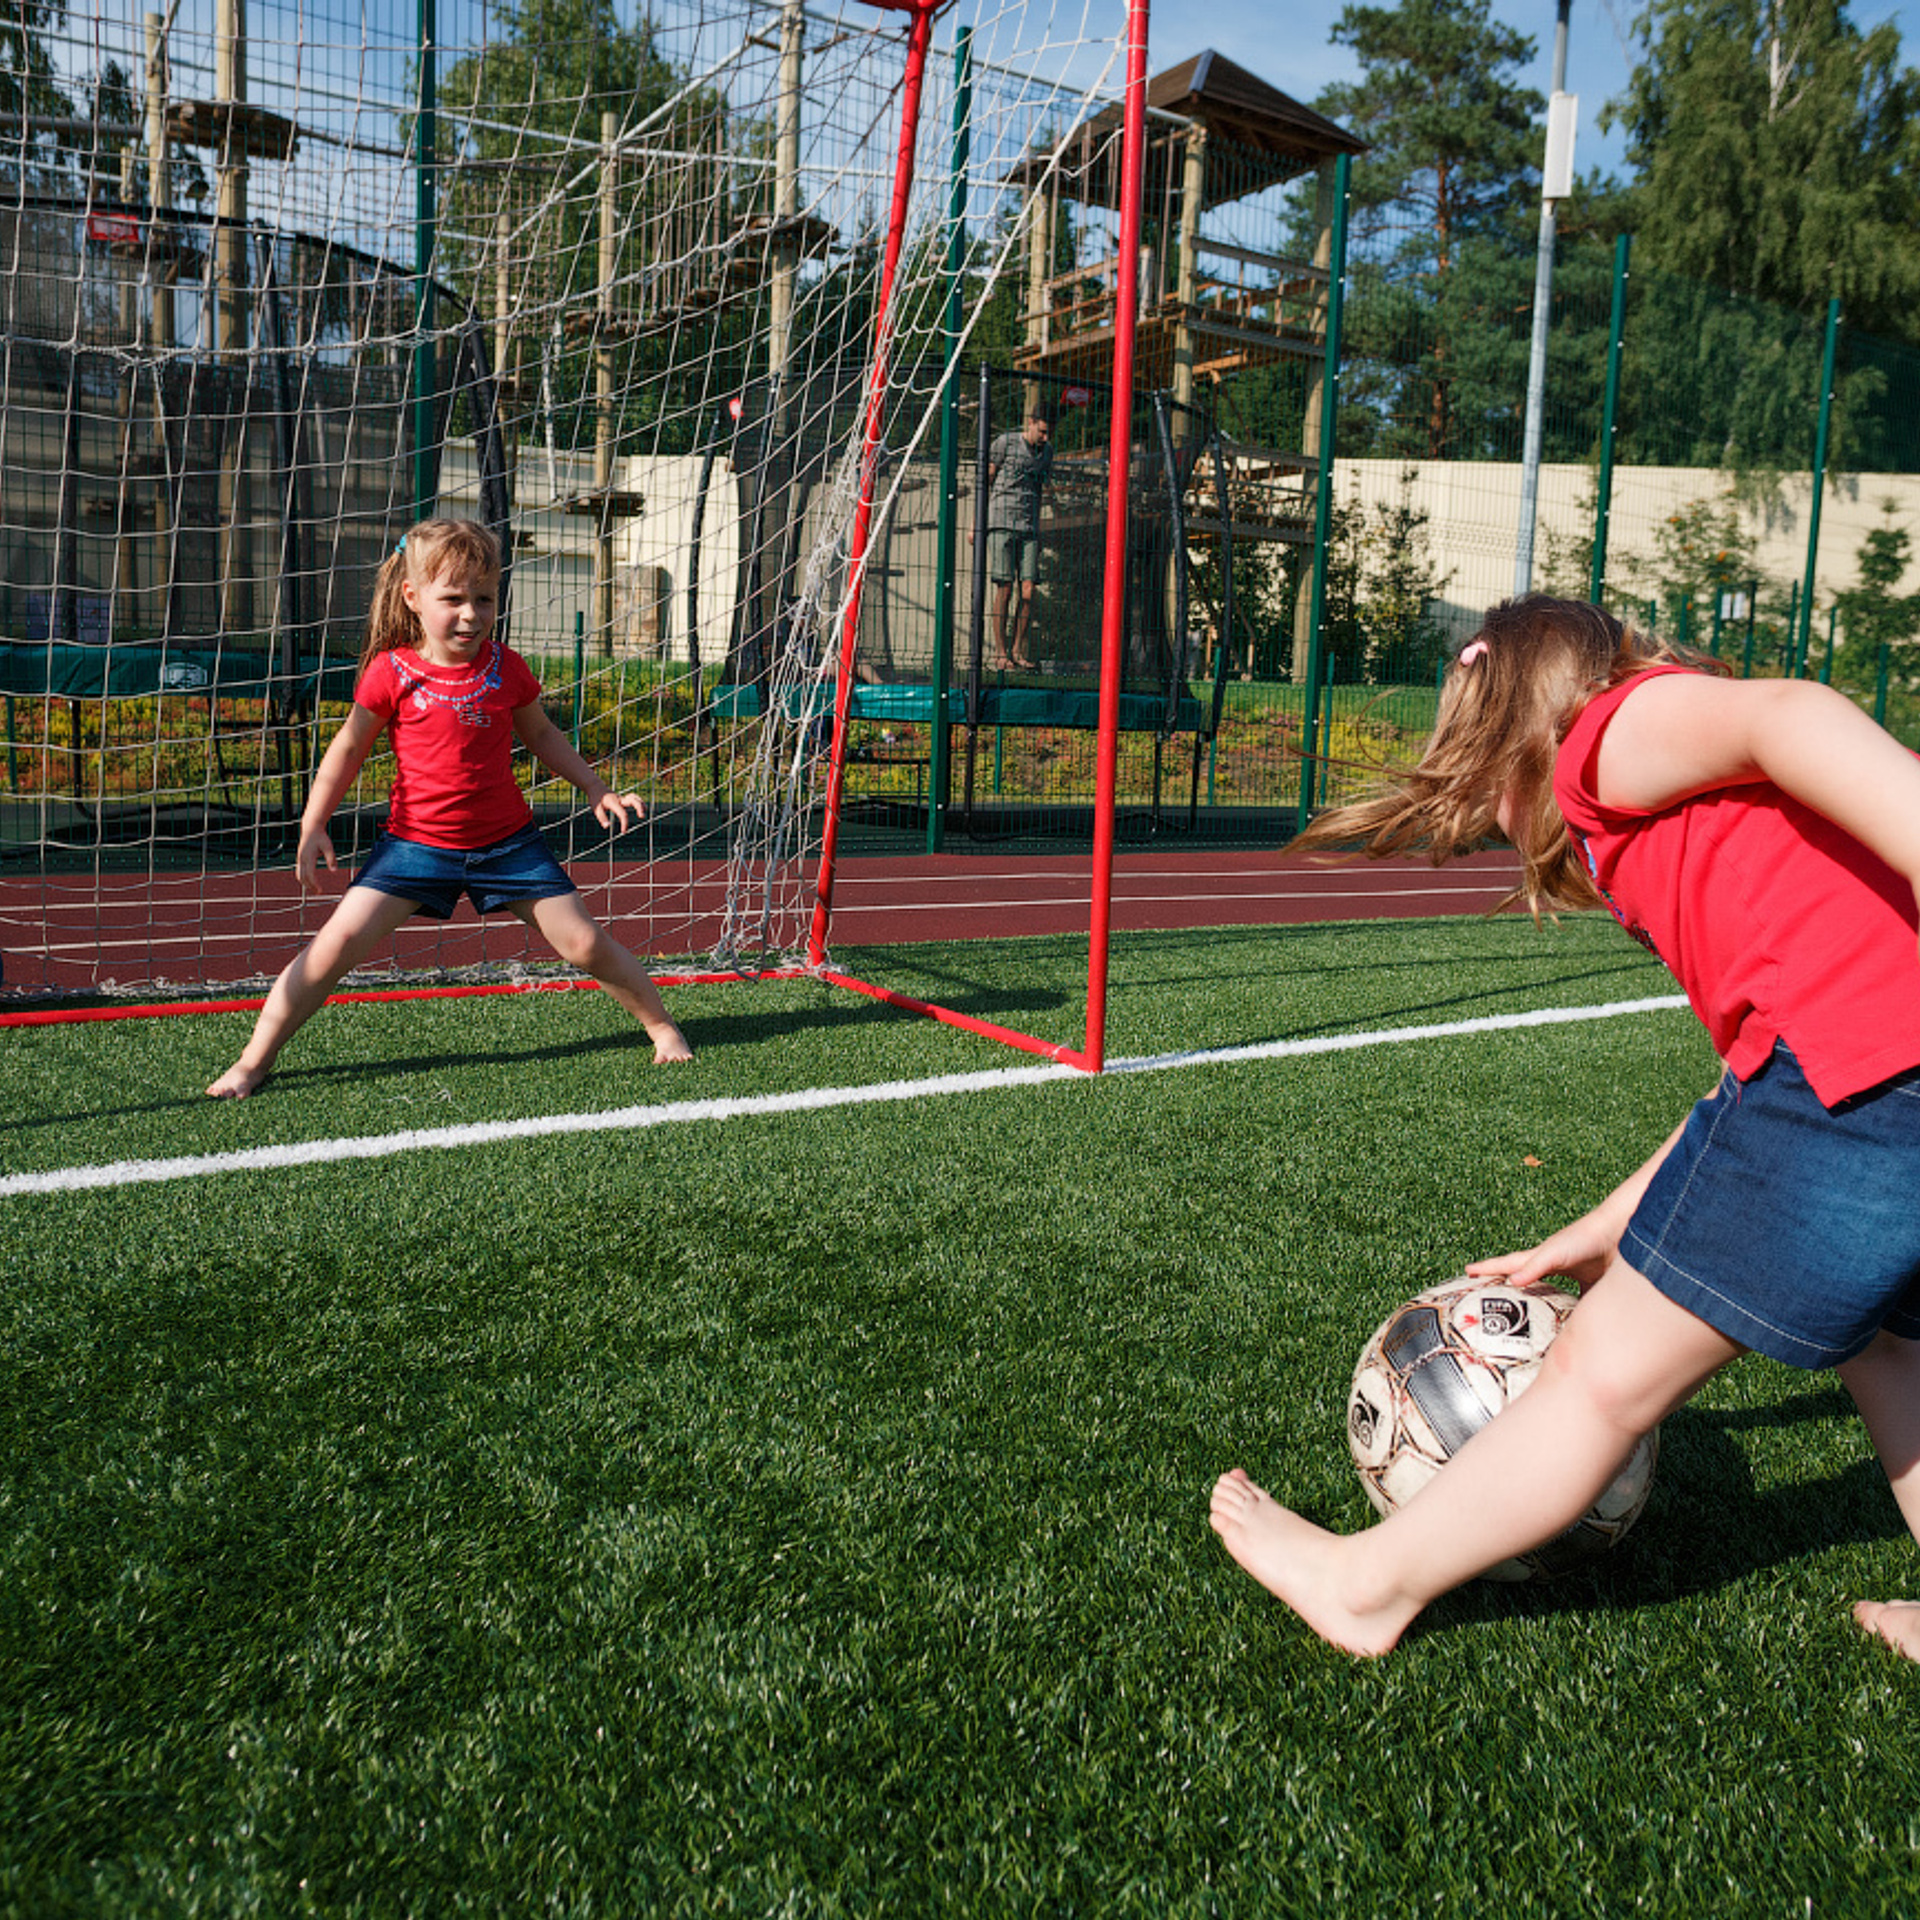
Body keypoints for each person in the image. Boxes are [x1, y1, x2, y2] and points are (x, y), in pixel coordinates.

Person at [1209, 593, 1920, 1662]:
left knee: (1598, 1373)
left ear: (1502, 707)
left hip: (1861, 1077)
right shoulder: (1672, 830)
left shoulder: (1604, 736)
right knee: (1889, 1349)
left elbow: (1793, 713)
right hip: (1878, 1074)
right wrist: (1606, 1225)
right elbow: (1751, 1087)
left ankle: (1367, 1587)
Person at [207, 518, 691, 1097]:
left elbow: (542, 736)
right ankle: (254, 1061)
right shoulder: (392, 671)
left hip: (508, 844)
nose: (471, 613)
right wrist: (314, 823)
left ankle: (661, 1026)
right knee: (334, 945)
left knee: (585, 944)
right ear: (413, 598)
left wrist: (594, 786)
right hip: (415, 847)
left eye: (484, 599)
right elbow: (348, 747)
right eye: (453, 598)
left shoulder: (506, 666)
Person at [984, 410, 1053, 670]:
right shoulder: (1006, 442)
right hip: (1001, 520)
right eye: (1042, 431)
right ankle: (1001, 653)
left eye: (1049, 433)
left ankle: (1017, 650)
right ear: (1031, 423)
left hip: (1029, 526)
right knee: (1005, 587)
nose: (1045, 437)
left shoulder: (1047, 452)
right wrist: (977, 524)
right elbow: (986, 480)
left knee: (1029, 590)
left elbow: (1042, 489)